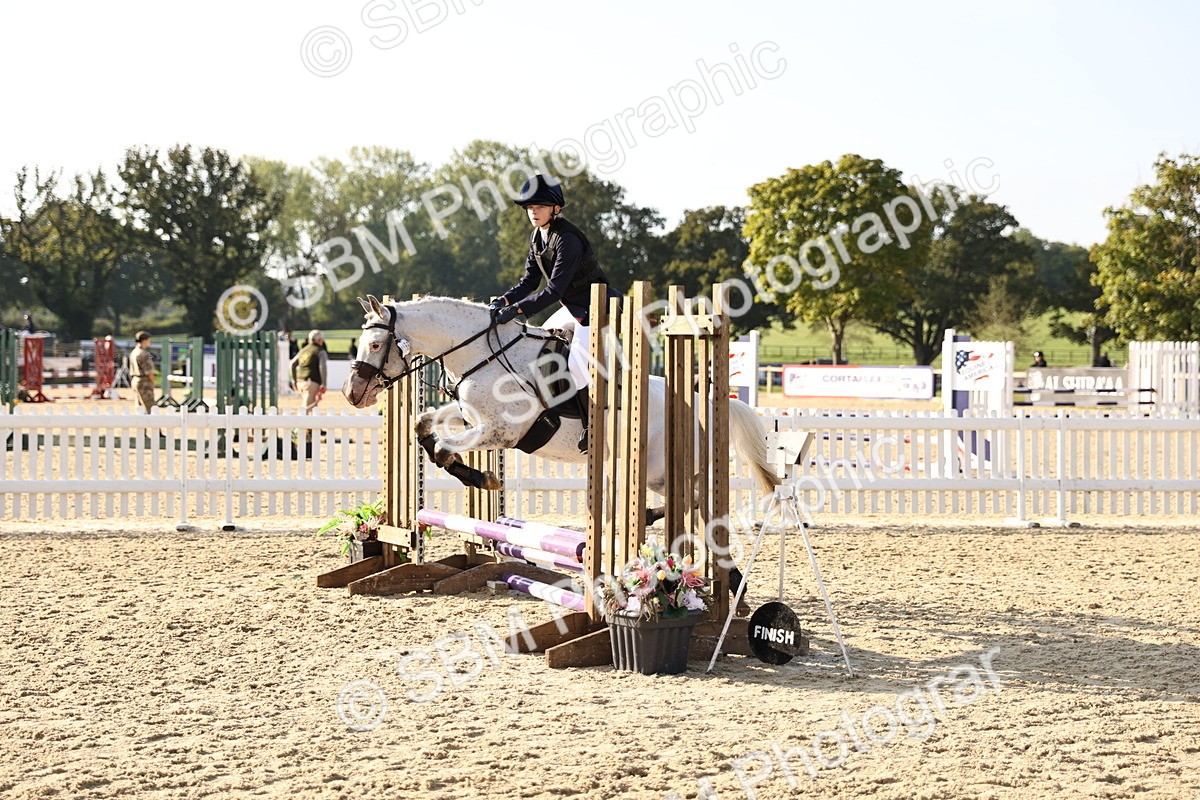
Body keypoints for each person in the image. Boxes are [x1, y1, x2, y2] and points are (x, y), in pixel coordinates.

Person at [487, 174, 621, 451]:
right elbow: (528, 281)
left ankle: (592, 428)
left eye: (539, 206)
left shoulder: (567, 239)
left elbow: (553, 290)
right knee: (542, 345)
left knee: (575, 366)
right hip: (573, 308)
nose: (533, 212)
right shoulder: (538, 237)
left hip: (598, 309)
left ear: (555, 209)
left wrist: (516, 310)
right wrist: (503, 300)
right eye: (529, 207)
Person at [290, 329, 328, 414]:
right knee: (307, 407)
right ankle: (298, 425)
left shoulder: (303, 350)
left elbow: (292, 364)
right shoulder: (320, 351)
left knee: (312, 407)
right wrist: (324, 384)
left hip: (300, 381)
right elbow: (322, 367)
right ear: (319, 340)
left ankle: (312, 426)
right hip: (311, 382)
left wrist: (294, 380)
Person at [128, 331, 157, 413]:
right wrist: (152, 382)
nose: (150, 342)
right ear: (144, 340)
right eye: (149, 340)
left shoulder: (134, 352)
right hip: (144, 381)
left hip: (135, 380)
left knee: (139, 407)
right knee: (150, 407)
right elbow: (149, 372)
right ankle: (154, 425)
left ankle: (141, 425)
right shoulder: (143, 354)